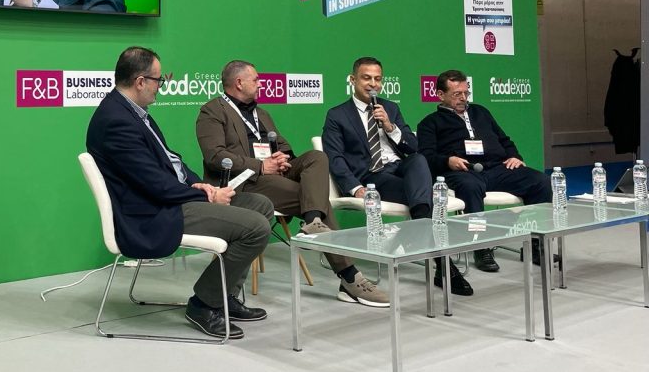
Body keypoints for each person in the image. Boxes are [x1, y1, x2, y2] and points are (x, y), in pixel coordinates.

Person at [86, 47, 273, 339]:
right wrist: (205, 197)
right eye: (159, 80)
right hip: (153, 212)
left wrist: (200, 185)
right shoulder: (115, 120)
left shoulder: (134, 112)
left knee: (261, 205)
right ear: (140, 81)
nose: (162, 86)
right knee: (256, 227)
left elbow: (171, 161)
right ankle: (204, 304)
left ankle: (224, 295)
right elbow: (152, 184)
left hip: (171, 199)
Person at [195, 60, 390, 308]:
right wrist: (260, 165)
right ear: (239, 83)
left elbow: (283, 145)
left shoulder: (261, 113)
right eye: (256, 80)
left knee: (317, 157)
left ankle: (313, 222)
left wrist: (283, 158)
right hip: (245, 182)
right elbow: (215, 156)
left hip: (275, 175)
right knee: (313, 197)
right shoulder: (212, 111)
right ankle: (349, 276)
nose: (261, 84)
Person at [322, 56, 473, 296]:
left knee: (418, 160)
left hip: (401, 168)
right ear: (352, 80)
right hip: (372, 176)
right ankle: (443, 265)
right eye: (366, 78)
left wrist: (391, 127)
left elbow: (413, 146)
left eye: (377, 79)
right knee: (423, 198)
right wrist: (355, 188)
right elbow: (335, 158)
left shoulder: (390, 108)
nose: (373, 84)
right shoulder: (337, 115)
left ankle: (420, 238)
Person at [418, 69, 552, 272]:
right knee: (470, 187)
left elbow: (504, 140)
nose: (463, 98)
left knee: (541, 181)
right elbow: (426, 157)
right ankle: (480, 246)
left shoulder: (481, 112)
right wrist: (448, 161)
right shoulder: (429, 123)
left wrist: (515, 156)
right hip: (463, 172)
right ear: (440, 95)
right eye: (457, 94)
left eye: (466, 93)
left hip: (497, 168)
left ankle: (536, 245)